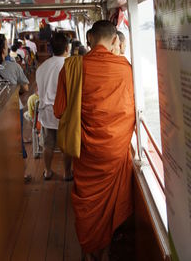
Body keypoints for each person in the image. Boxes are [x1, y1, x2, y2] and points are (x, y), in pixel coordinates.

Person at [53, 20, 135, 259]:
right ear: (114, 41)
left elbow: (59, 110)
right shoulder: (126, 69)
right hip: (116, 151)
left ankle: (89, 252)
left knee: (87, 208)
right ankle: (107, 250)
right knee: (111, 207)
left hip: (86, 152)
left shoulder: (71, 68)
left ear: (89, 39)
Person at [0, 34, 31, 183]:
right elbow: (26, 87)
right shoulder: (14, 66)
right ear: (3, 50)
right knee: (16, 139)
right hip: (14, 108)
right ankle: (23, 173)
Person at [36, 32, 73, 181]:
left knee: (48, 144)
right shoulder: (69, 65)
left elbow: (39, 90)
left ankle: (47, 171)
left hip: (46, 112)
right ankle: (67, 173)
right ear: (67, 48)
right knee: (66, 145)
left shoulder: (42, 67)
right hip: (63, 112)